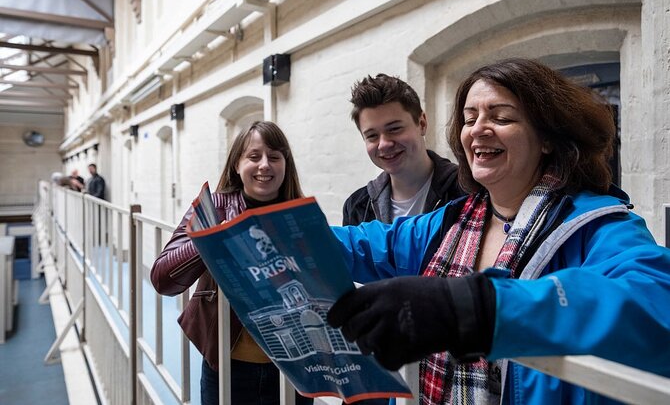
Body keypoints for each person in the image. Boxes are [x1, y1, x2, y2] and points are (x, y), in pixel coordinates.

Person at [326, 58, 670, 404]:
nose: (477, 129)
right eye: (469, 118)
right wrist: (280, 231)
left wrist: (479, 307)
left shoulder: (596, 226)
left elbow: (655, 303)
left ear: (547, 138)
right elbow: (363, 245)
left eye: (501, 117)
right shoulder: (451, 221)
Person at [151, 121, 313, 405]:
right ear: (237, 164)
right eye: (254, 156)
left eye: (275, 157)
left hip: (293, 368)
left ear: (286, 164)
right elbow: (162, 278)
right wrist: (214, 239)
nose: (265, 165)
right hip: (227, 364)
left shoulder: (301, 214)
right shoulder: (214, 207)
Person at [343, 73, 464, 226]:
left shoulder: (466, 190)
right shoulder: (357, 207)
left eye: (394, 129)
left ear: (422, 124)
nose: (384, 144)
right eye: (372, 135)